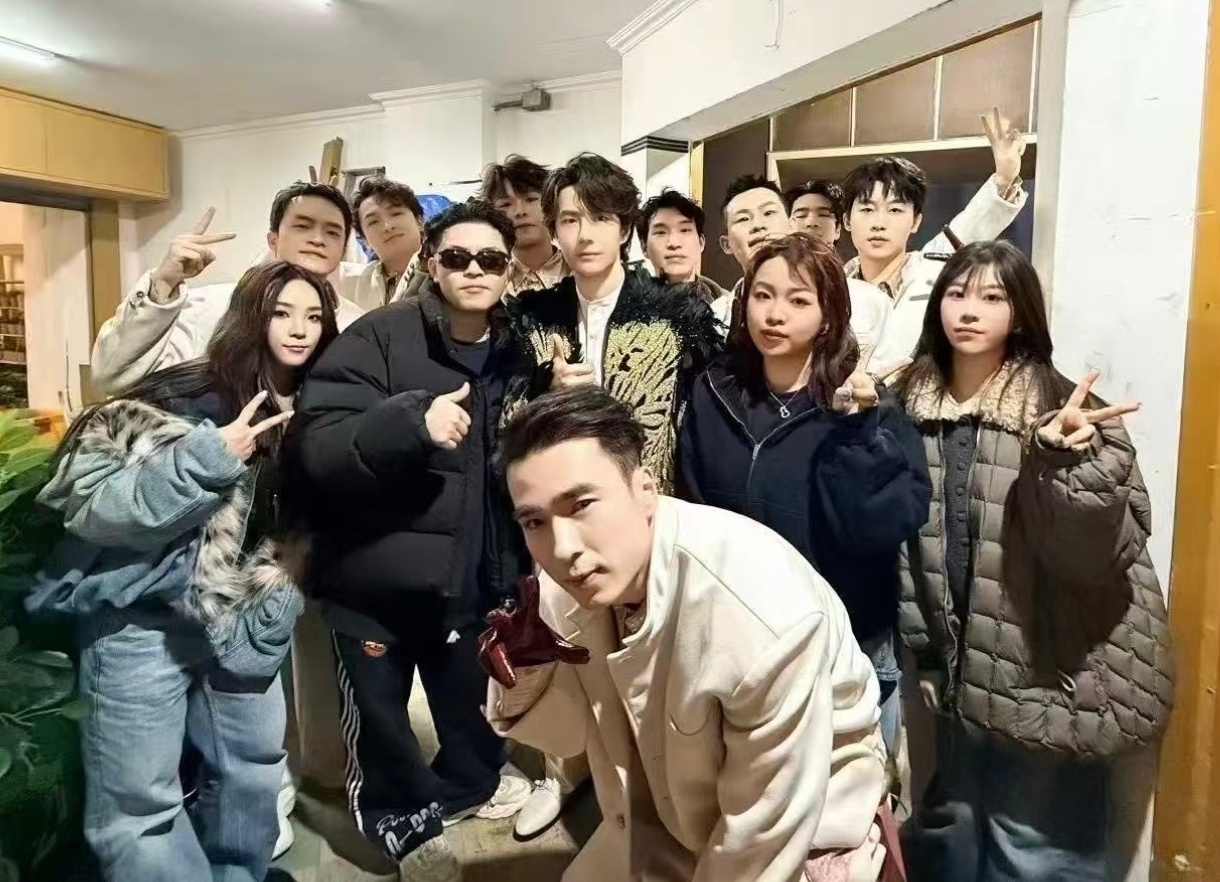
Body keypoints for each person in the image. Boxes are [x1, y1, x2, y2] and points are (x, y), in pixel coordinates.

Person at [480, 386, 893, 882]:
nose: (562, 547)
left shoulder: (759, 613)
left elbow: (761, 836)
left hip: (806, 827)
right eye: (535, 521)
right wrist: (526, 671)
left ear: (645, 490)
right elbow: (565, 738)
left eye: (582, 504)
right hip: (661, 813)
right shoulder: (567, 585)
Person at [28, 262, 337, 882]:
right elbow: (92, 504)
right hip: (138, 621)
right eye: (281, 312)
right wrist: (209, 456)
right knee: (139, 805)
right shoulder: (182, 394)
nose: (299, 329)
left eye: (314, 316)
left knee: (253, 771)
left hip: (244, 617)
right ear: (251, 315)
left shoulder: (325, 407)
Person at [892, 241, 1173, 882]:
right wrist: (927, 653)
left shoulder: (1063, 413)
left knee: (1037, 854)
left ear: (1020, 313)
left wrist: (1065, 461)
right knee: (954, 838)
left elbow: (1096, 557)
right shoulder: (912, 408)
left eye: (993, 297)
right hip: (964, 672)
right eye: (957, 294)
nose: (970, 310)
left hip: (1057, 671)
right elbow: (910, 550)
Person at [284, 201, 537, 881]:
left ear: (510, 271)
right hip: (375, 582)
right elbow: (319, 444)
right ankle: (403, 825)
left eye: (491, 260)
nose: (474, 270)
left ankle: (465, 789)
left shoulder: (522, 350)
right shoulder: (380, 336)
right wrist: (411, 425)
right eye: (457, 257)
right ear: (432, 263)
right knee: (382, 726)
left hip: (475, 581)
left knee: (469, 712)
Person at [677, 232, 930, 766]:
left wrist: (857, 433)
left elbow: (885, 526)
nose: (774, 314)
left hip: (843, 643)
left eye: (798, 300)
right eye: (762, 295)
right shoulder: (715, 391)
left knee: (848, 798)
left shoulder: (866, 407)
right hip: (741, 641)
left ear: (829, 315)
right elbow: (694, 509)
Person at [92, 181, 365, 396]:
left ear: (343, 249)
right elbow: (112, 378)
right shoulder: (208, 307)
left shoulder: (357, 325)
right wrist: (163, 283)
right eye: (303, 226)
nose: (317, 239)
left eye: (332, 232)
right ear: (273, 240)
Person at [842, 108, 1028, 368]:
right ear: (846, 221)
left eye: (895, 210)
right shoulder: (828, 287)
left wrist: (1005, 178)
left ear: (916, 221)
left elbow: (973, 223)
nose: (879, 223)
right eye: (867, 209)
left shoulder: (935, 269)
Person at [721, 175, 890, 367]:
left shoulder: (868, 301)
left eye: (768, 213)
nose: (758, 226)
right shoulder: (715, 316)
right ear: (727, 244)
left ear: (791, 225)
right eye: (743, 218)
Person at [786, 179, 892, 364]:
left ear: (838, 230)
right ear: (788, 226)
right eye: (801, 215)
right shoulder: (768, 296)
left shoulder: (871, 298)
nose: (811, 222)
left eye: (823, 215)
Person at [637, 188, 734, 328]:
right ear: (644, 247)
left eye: (685, 230)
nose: (674, 243)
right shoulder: (626, 312)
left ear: (701, 243)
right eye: (661, 232)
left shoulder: (730, 309)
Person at [482, 154, 569, 295]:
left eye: (531, 199)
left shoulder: (581, 272)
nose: (520, 211)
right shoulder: (486, 282)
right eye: (506, 204)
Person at [350, 175, 425, 310]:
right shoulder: (356, 283)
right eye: (373, 222)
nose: (387, 226)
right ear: (365, 240)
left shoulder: (447, 270)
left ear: (419, 222)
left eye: (396, 214)